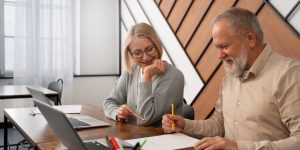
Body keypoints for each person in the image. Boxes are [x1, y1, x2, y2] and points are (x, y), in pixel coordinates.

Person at [162, 8, 300, 150]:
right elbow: (219, 124)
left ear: (250, 38)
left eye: (225, 46)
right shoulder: (230, 76)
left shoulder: (289, 74)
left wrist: (238, 147)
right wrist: (185, 125)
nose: (219, 55)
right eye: (217, 48)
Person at [103, 23, 184, 126]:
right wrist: (118, 113)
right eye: (137, 53)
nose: (145, 57)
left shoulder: (174, 76)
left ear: (157, 46)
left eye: (149, 49)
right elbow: (109, 102)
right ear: (130, 55)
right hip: (132, 136)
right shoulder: (131, 71)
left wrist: (146, 76)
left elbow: (145, 119)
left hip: (158, 138)